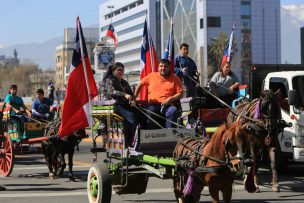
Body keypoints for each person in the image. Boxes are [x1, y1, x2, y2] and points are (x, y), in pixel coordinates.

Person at [100, 62, 141, 148]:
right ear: (113, 71)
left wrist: (133, 99)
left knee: (142, 115)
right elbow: (111, 91)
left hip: (125, 105)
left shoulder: (124, 82)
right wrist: (124, 94)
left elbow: (130, 93)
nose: (121, 72)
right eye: (119, 70)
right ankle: (133, 142)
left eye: (122, 70)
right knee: (132, 118)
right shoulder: (108, 79)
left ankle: (139, 139)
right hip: (113, 105)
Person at [134, 59, 183, 129]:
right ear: (158, 68)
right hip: (153, 104)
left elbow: (180, 93)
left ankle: (170, 134)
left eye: (165, 66)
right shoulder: (152, 75)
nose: (163, 68)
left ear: (169, 68)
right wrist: (134, 96)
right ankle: (150, 135)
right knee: (151, 111)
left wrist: (171, 99)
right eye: (161, 66)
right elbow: (140, 83)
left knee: (173, 110)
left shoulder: (175, 78)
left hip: (168, 105)